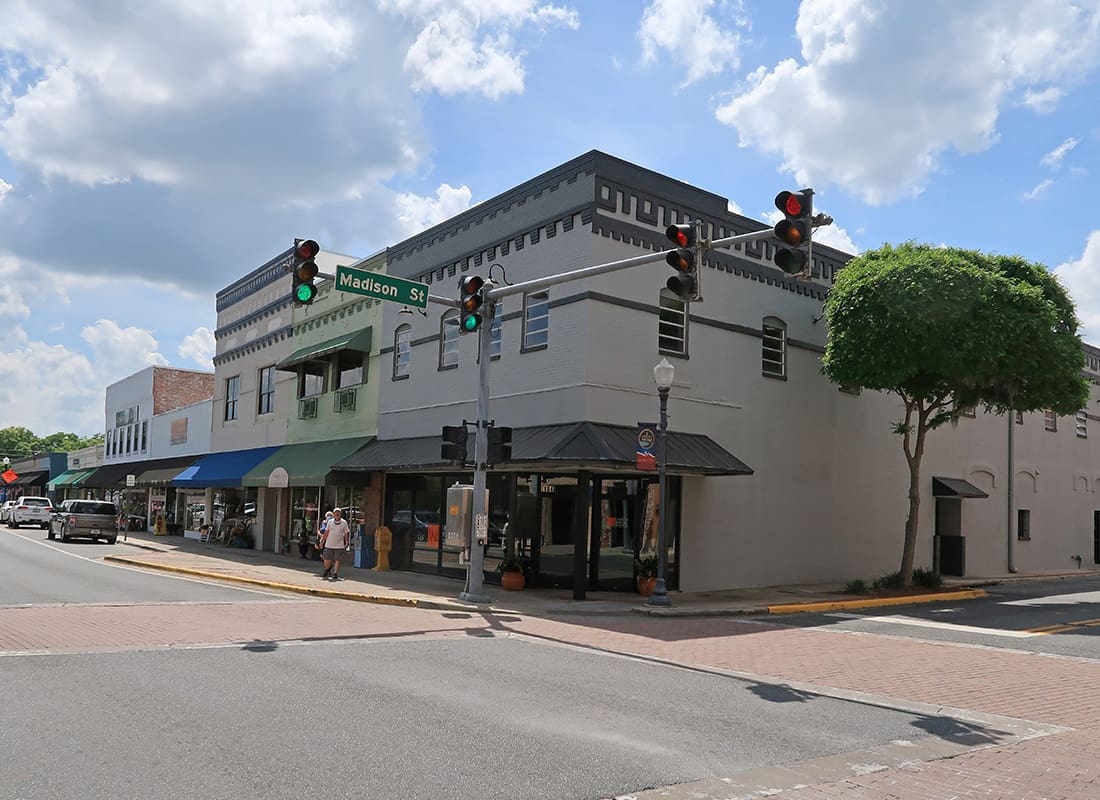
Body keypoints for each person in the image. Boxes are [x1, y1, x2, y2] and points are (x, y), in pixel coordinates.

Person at [320, 507, 351, 581]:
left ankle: (335, 573)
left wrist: (346, 542)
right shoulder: (330, 522)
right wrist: (322, 541)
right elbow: (326, 532)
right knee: (327, 559)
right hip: (329, 544)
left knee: (337, 559)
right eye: (336, 512)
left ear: (340, 514)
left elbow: (346, 533)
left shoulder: (344, 522)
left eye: (338, 512)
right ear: (334, 514)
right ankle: (328, 569)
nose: (337, 514)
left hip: (339, 544)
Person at [318, 510, 334, 576]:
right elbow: (320, 530)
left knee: (329, 557)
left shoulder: (333, 523)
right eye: (328, 515)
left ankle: (328, 569)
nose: (329, 517)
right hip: (323, 540)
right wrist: (321, 535)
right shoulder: (324, 522)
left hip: (330, 541)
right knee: (323, 555)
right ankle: (328, 568)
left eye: (330, 515)